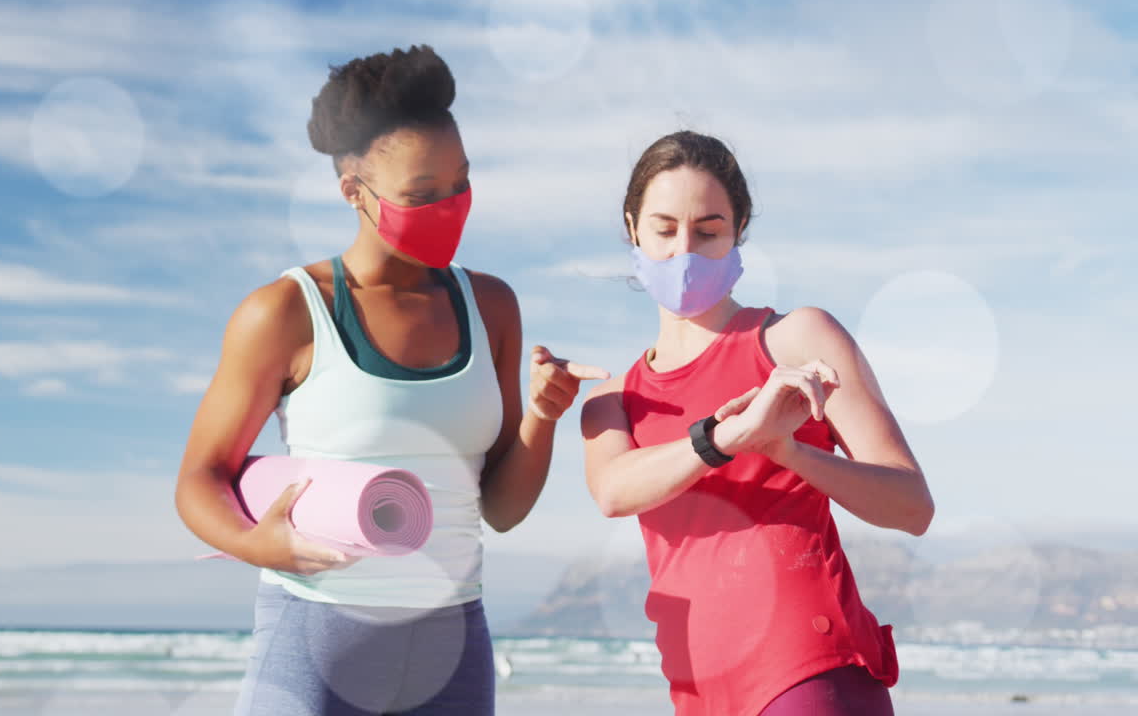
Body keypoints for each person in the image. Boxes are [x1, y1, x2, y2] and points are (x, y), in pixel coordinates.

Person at [174, 45, 605, 715]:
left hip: (455, 643)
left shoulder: (492, 306)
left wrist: (542, 419)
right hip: (317, 638)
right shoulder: (286, 311)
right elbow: (199, 478)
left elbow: (501, 508)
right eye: (421, 195)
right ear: (353, 192)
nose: (451, 206)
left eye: (461, 182)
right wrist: (253, 542)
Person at [580, 130, 934, 716]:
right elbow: (614, 493)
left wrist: (791, 451)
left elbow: (912, 506)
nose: (684, 251)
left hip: (808, 673)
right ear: (633, 227)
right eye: (665, 229)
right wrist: (726, 439)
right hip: (698, 691)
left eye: (709, 230)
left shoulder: (796, 340)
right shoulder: (613, 399)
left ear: (739, 229)